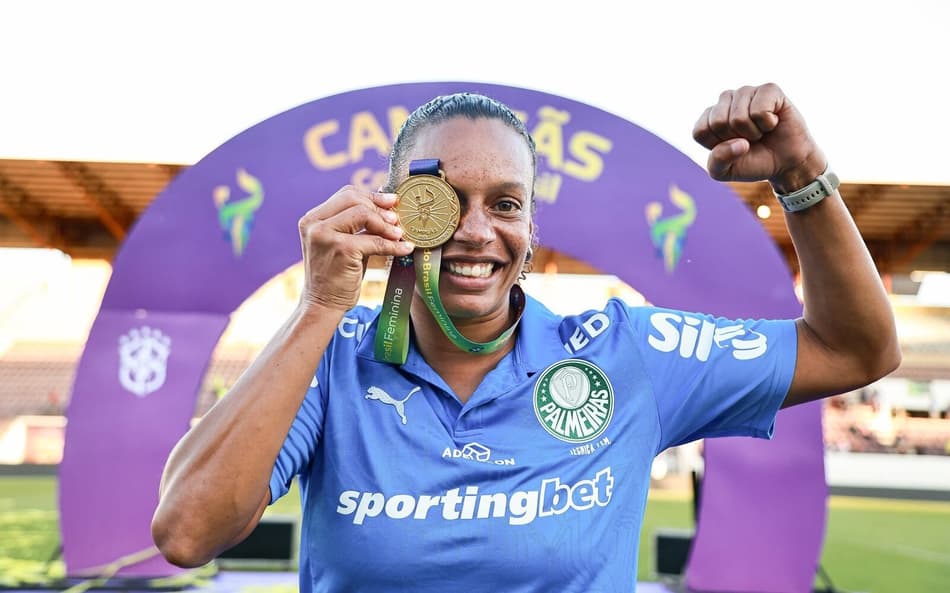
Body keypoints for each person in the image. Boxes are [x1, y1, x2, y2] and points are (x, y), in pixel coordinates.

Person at [151, 83, 901, 592]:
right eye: (443, 202)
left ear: (532, 232)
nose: (477, 230)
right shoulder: (332, 356)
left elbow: (856, 349)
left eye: (505, 203)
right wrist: (318, 306)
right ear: (397, 211)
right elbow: (186, 531)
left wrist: (803, 174)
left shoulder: (623, 354)